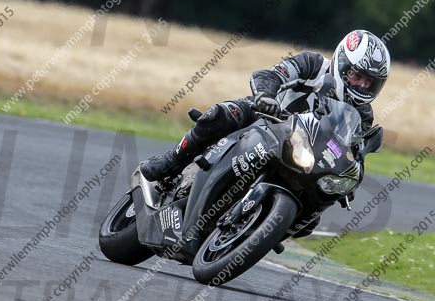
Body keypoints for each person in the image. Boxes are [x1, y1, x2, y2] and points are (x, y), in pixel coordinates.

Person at [140, 29, 390, 242]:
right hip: (266, 120)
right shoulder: (314, 65)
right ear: (342, 64)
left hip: (304, 156)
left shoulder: (363, 114)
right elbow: (269, 74)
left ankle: (257, 234)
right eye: (358, 76)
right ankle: (171, 161)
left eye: (371, 82)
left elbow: (353, 150)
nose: (362, 86)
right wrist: (266, 96)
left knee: (311, 218)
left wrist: (348, 175)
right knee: (223, 115)